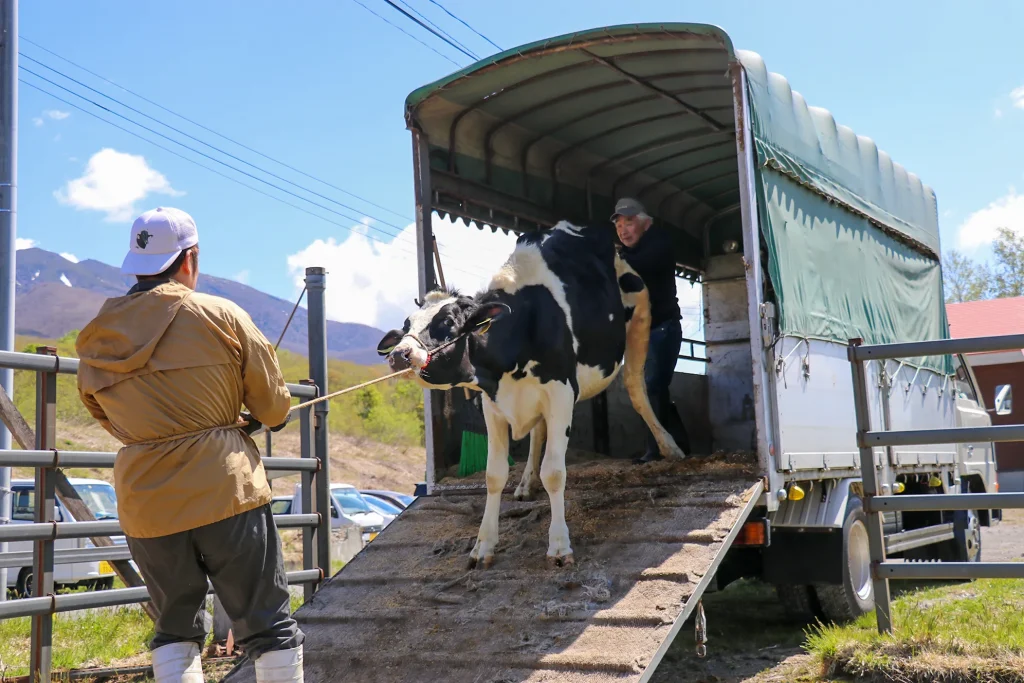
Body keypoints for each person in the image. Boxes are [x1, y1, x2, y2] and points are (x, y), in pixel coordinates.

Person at [75, 207, 304, 682]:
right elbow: (275, 410)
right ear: (190, 258)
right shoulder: (219, 314)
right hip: (227, 491)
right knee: (269, 627)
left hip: (147, 503)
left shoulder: (97, 336)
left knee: (174, 630)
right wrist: (226, 421)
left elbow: (104, 415)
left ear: (134, 264)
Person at [611, 197, 692, 463]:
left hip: (662, 329)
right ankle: (677, 443)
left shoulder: (659, 243)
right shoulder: (624, 254)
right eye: (619, 225)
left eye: (629, 222)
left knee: (652, 387)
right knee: (654, 389)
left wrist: (612, 259)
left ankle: (655, 450)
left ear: (645, 223)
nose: (623, 230)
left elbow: (637, 268)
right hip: (639, 333)